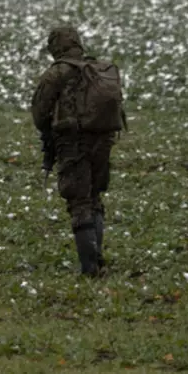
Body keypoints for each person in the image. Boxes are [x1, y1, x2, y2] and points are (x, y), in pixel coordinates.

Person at [31, 26, 125, 276]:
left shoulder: (57, 73)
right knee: (94, 197)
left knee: (79, 199)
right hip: (103, 141)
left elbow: (39, 114)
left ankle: (90, 268)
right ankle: (97, 259)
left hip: (73, 143)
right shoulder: (97, 69)